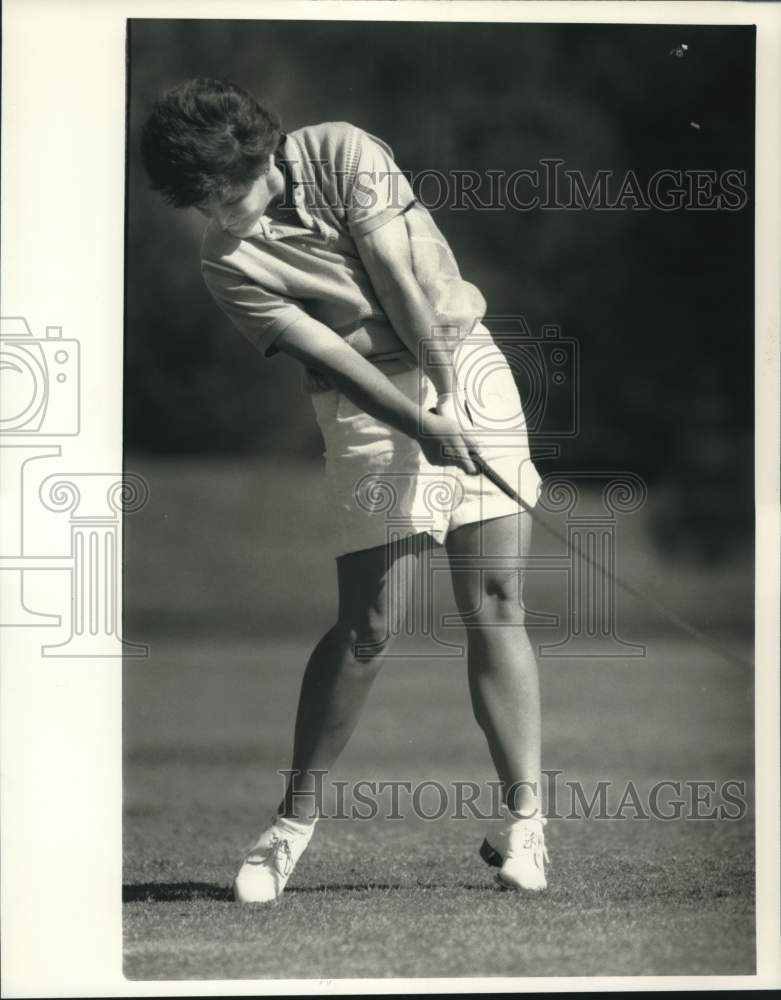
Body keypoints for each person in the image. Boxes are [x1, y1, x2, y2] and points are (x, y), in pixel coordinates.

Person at [140, 77, 548, 902]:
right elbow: (330, 356)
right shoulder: (225, 260)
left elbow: (398, 277)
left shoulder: (340, 149)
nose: (214, 213)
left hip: (461, 361)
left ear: (258, 156)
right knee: (369, 626)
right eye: (198, 202)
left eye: (222, 193)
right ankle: (289, 826)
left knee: (496, 602)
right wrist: (418, 420)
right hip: (362, 404)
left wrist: (446, 395)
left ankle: (526, 824)